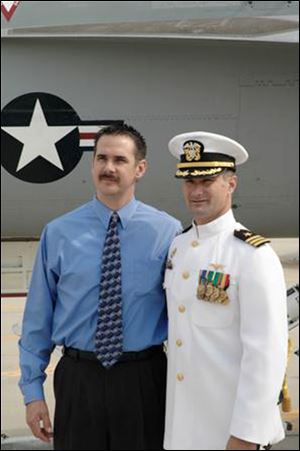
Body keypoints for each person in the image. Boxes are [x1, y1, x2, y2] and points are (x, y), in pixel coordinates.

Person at [19, 124, 181, 450]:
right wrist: (33, 393)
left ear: (140, 169)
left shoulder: (168, 232)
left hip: (143, 379)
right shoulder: (58, 233)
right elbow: (38, 319)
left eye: (120, 160)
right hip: (79, 378)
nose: (109, 168)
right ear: (92, 165)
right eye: (101, 158)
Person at [163, 132, 288, 450]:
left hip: (231, 433)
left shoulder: (252, 255)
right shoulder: (178, 248)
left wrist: (248, 435)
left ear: (230, 184)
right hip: (183, 432)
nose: (197, 191)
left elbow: (266, 355)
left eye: (207, 180)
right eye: (189, 182)